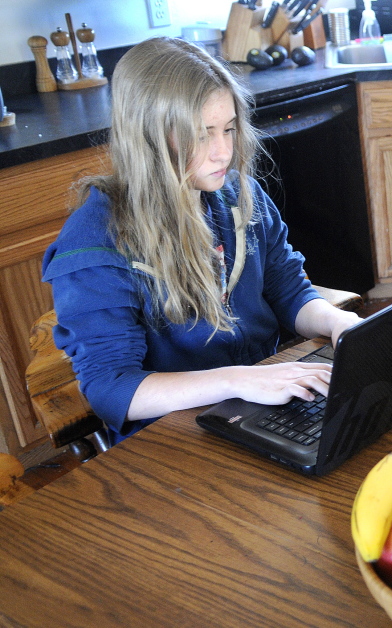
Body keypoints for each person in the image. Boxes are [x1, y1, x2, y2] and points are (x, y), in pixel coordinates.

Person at [41, 38, 362, 445]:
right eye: (201, 135)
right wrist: (239, 381)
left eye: (229, 129)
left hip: (263, 398)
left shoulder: (238, 195)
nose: (223, 152)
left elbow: (288, 291)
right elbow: (111, 389)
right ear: (149, 139)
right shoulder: (94, 245)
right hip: (174, 437)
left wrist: (340, 323)